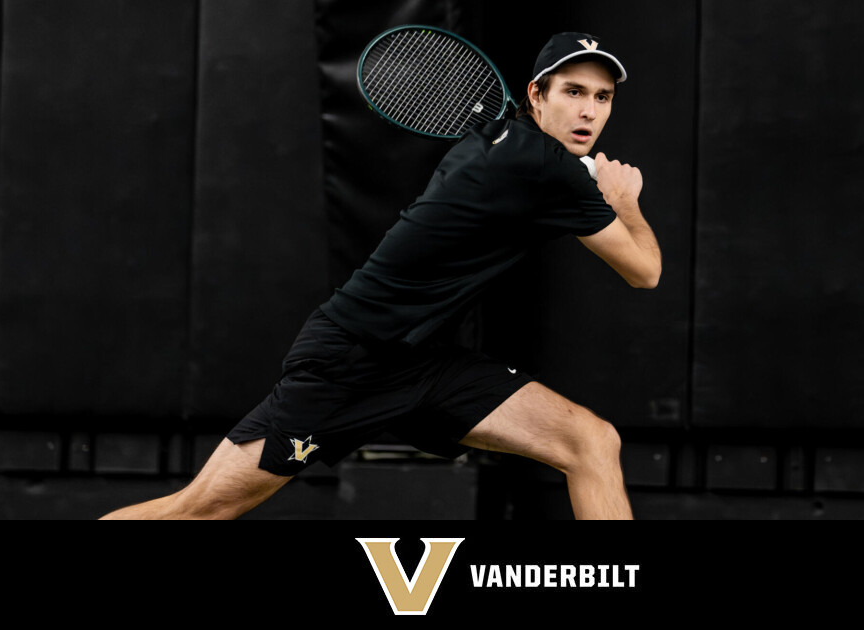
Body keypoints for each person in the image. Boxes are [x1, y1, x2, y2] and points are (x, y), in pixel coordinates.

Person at [102, 32, 660, 520]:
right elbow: (645, 272)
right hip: (352, 360)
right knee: (200, 510)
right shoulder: (544, 167)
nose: (589, 111)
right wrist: (623, 202)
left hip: (425, 362)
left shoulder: (499, 142)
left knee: (591, 441)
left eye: (602, 97)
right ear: (536, 95)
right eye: (573, 92)